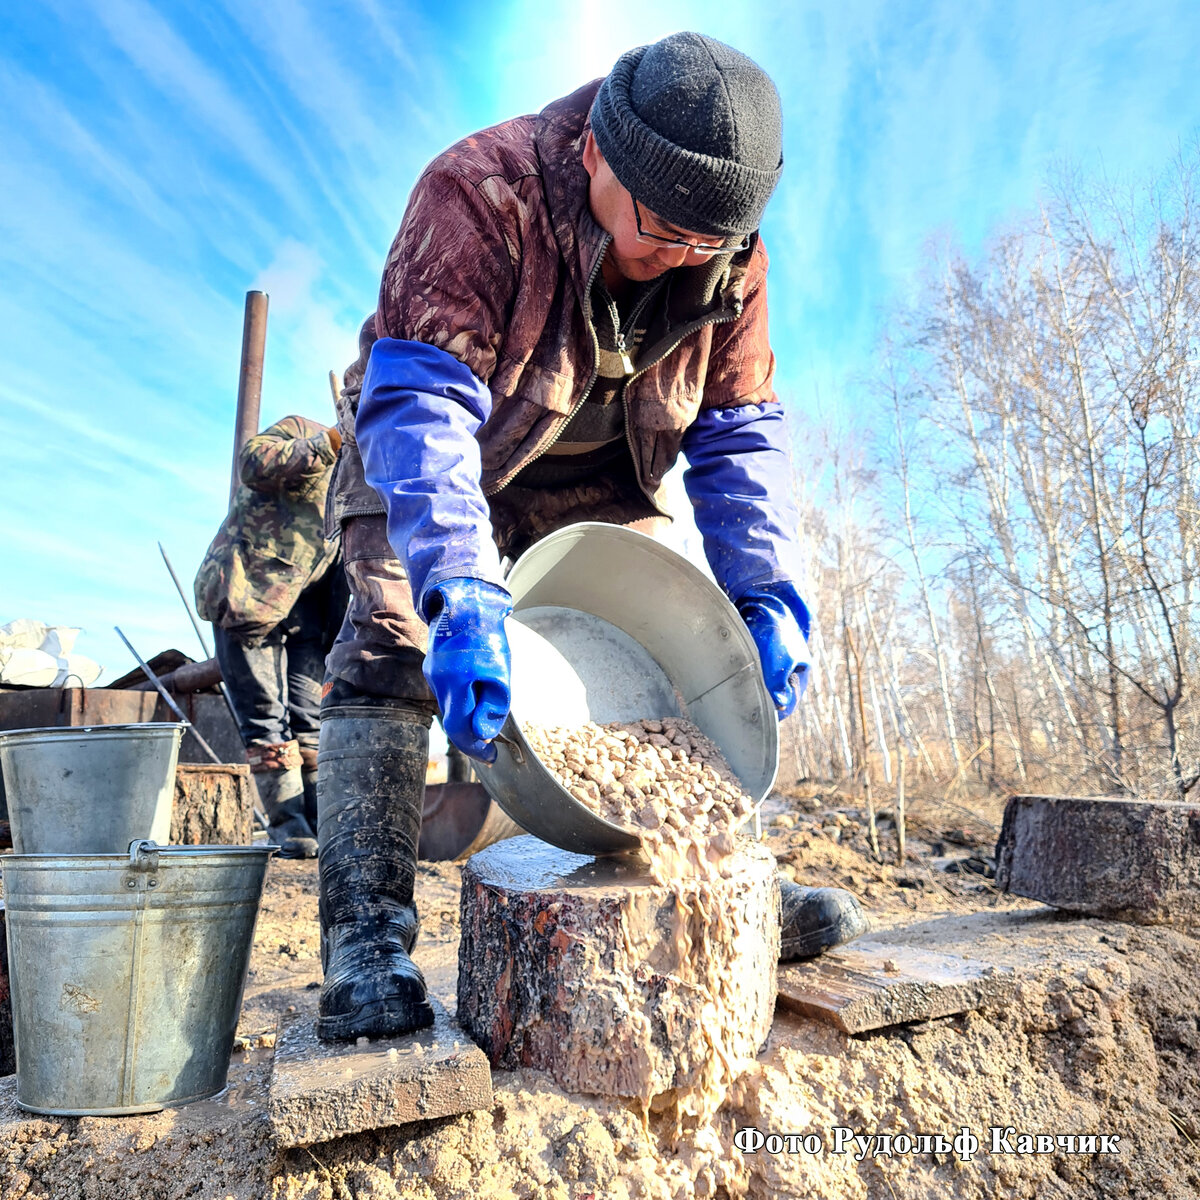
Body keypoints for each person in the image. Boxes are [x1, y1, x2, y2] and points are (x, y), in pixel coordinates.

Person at [318, 32, 867, 1043]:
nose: (680, 258)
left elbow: (740, 435)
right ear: (598, 157)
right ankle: (366, 939)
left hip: (604, 472)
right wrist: (459, 588)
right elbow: (426, 411)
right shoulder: (481, 192)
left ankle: (703, 888)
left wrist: (767, 595)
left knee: (679, 648)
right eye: (662, 229)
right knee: (394, 633)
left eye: (712, 243)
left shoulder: (728, 260)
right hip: (449, 449)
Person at [195, 414, 346, 857]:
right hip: (249, 593)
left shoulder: (358, 473)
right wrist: (331, 442)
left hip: (306, 607)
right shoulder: (304, 432)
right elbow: (254, 462)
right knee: (265, 716)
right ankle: (289, 828)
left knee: (312, 718)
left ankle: (323, 826)